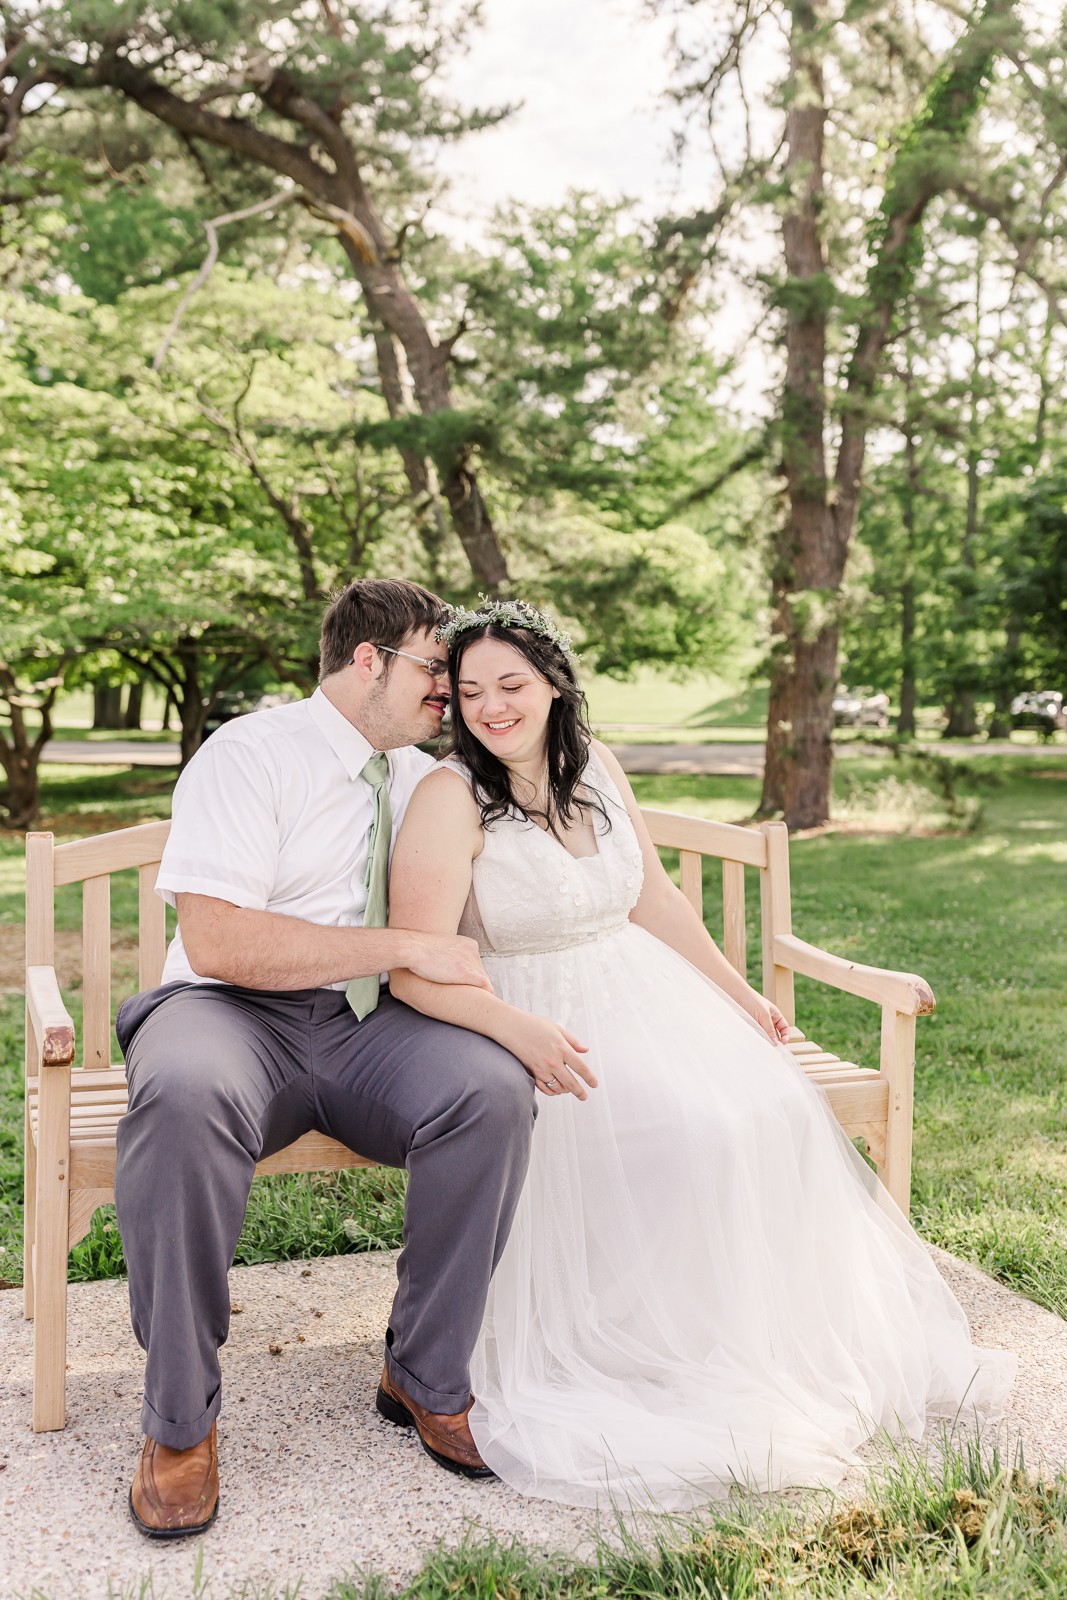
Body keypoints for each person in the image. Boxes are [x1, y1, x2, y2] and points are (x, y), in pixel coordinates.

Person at [386, 597, 1017, 1511]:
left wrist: (739, 992)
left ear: (554, 686)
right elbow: (416, 965)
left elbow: (655, 903)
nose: (492, 707)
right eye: (472, 691)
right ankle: (644, 1342)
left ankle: (752, 1337)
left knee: (761, 1108)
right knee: (692, 1129)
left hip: (640, 988)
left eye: (512, 684)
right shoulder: (449, 796)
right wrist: (513, 1030)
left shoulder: (594, 764)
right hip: (525, 1012)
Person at [114, 579, 538, 1540]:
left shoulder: (414, 781)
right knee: (181, 1097)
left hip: (364, 1030)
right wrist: (398, 948)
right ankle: (179, 1423)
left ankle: (423, 1373)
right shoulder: (250, 753)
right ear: (366, 660)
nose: (449, 690)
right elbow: (219, 943)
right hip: (225, 1014)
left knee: (489, 1091)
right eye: (434, 667)